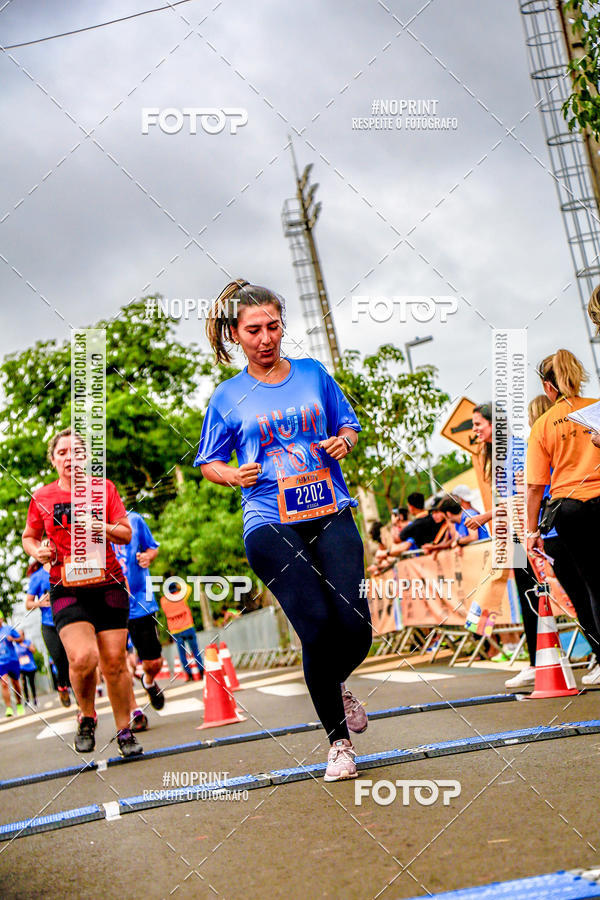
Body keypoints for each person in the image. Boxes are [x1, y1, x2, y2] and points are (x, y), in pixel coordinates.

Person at [196, 279, 372, 781]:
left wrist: (344, 441)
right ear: (236, 334)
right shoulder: (227, 396)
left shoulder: (314, 375)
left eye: (273, 326)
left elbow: (348, 425)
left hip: (328, 506)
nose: (266, 337)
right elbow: (208, 462)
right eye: (254, 330)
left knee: (356, 625)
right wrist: (233, 473)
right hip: (268, 517)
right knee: (315, 628)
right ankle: (338, 743)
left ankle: (333, 681)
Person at [22, 428, 143, 758]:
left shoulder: (104, 489)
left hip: (108, 584)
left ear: (86, 457)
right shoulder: (43, 497)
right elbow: (29, 536)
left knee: (116, 662)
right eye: (62, 453)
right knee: (83, 657)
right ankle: (87, 716)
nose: (69, 458)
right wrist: (37, 552)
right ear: (53, 461)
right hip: (66, 586)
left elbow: (125, 533)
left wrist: (99, 526)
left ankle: (123, 731)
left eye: (76, 452)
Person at [527, 349, 600, 685]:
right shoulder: (596, 408)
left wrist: (531, 532)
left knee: (592, 585)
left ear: (548, 387)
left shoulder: (543, 425)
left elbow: (534, 487)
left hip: (569, 508)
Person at [466, 403, 540, 688]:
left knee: (537, 593)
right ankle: (537, 659)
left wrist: (486, 515)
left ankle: (539, 659)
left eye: (478, 424)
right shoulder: (496, 455)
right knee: (526, 594)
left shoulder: (516, 450)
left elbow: (522, 497)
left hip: (529, 531)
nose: (474, 430)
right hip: (516, 533)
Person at [112, 510, 165, 730]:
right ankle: (135, 711)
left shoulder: (134, 520)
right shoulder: (91, 529)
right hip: (111, 605)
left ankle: (148, 681)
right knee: (119, 662)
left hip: (141, 600)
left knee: (154, 662)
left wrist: (148, 556)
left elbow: (153, 548)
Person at [25, 560, 71, 707]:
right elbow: (28, 603)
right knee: (59, 659)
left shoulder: (67, 566)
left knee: (73, 659)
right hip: (49, 625)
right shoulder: (37, 577)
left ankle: (80, 700)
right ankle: (62, 685)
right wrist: (39, 603)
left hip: (69, 620)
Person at [159, 581, 204, 681]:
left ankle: (189, 675)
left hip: (176, 632)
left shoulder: (163, 601)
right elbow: (188, 588)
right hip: (188, 627)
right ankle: (201, 672)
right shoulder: (181, 596)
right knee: (195, 651)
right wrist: (179, 584)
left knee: (182, 654)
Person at [0, 613, 24, 716]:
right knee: (4, 684)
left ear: (2, 619)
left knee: (16, 683)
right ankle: (9, 708)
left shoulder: (9, 629)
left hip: (12, 660)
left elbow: (20, 639)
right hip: (1, 662)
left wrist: (13, 639)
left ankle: (19, 704)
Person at [17, 631, 38, 709]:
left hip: (30, 666)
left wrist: (26, 646)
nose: (19, 637)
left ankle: (35, 698)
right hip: (21, 667)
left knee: (31, 683)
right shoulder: (16, 645)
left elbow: (33, 650)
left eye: (20, 635)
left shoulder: (28, 642)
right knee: (24, 683)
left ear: (23, 635)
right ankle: (27, 700)